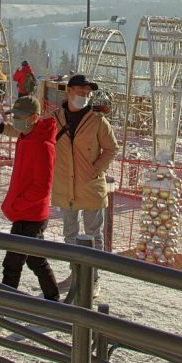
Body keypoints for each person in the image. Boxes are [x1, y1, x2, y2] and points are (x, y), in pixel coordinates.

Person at [52, 73, 119, 298]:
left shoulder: (98, 121)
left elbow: (112, 148)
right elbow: (34, 133)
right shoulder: (56, 118)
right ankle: (75, 274)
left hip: (90, 186)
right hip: (66, 186)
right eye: (81, 92)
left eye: (87, 93)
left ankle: (93, 279)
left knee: (93, 234)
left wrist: (96, 168)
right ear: (69, 91)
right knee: (70, 233)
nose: (85, 96)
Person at [0, 95, 60, 300]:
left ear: (34, 117)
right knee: (35, 259)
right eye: (15, 115)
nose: (16, 120)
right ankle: (53, 299)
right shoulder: (26, 135)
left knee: (13, 261)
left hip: (31, 214)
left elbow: (42, 187)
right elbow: (13, 130)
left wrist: (18, 204)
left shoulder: (43, 145)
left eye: (20, 116)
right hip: (25, 211)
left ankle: (5, 303)